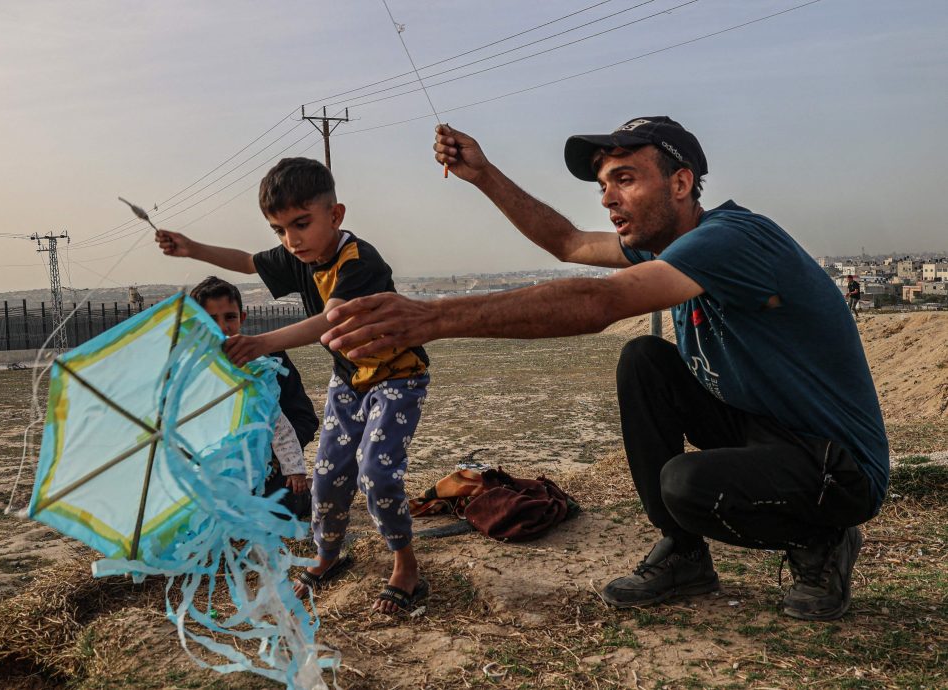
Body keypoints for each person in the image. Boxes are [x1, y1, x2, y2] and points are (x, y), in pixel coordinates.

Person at [320, 117, 888, 621]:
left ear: (682, 183)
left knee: (684, 485)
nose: (608, 198)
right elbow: (567, 242)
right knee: (645, 361)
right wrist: (484, 174)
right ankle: (684, 555)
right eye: (603, 185)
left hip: (835, 467)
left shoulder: (731, 239)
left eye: (626, 179)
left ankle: (824, 540)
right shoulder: (671, 246)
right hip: (762, 431)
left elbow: (599, 303)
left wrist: (434, 318)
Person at [157, 158, 431, 615]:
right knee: (326, 476)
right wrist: (192, 248)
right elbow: (247, 262)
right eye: (279, 229)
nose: (291, 239)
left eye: (301, 224)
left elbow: (332, 319)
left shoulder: (359, 260)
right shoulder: (297, 256)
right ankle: (327, 556)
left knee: (376, 474)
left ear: (335, 215)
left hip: (398, 378)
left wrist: (261, 342)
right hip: (349, 381)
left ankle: (405, 565)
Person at [189, 276, 318, 520]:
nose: (222, 327)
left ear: (242, 318)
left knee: (272, 514)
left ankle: (306, 491)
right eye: (210, 319)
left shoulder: (270, 361)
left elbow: (305, 419)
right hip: (217, 476)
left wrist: (273, 456)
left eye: (229, 317)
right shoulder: (190, 373)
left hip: (271, 474)